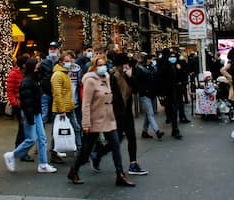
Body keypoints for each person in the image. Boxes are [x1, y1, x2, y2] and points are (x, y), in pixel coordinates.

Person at [67, 56, 135, 187]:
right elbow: (86, 104)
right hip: (95, 120)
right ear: (94, 66)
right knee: (86, 151)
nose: (103, 67)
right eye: (99, 64)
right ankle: (74, 169)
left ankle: (120, 174)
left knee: (115, 145)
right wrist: (86, 123)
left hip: (109, 118)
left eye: (104, 64)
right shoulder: (90, 81)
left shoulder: (107, 78)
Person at [93, 53, 148, 175]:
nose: (127, 66)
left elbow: (138, 90)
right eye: (125, 64)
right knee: (116, 140)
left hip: (127, 112)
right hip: (115, 114)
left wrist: (131, 76)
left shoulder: (127, 76)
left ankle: (133, 163)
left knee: (131, 137)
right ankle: (98, 154)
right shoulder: (111, 77)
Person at [3, 58, 57, 174]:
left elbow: (43, 75)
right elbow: (27, 102)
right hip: (30, 113)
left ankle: (43, 164)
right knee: (31, 139)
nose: (39, 68)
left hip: (35, 112)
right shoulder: (27, 82)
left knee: (42, 138)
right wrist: (29, 117)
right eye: (37, 66)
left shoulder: (32, 79)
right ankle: (12, 155)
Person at [134, 53, 163, 139]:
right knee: (150, 113)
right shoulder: (140, 69)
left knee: (148, 113)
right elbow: (137, 82)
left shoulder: (153, 68)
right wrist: (142, 90)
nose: (152, 61)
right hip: (145, 94)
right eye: (151, 59)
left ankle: (144, 131)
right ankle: (157, 131)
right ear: (147, 59)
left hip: (152, 93)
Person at [6, 54, 30, 152]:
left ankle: (19, 149)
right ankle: (20, 149)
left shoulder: (28, 74)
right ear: (24, 65)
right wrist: (15, 103)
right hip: (19, 104)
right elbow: (10, 90)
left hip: (27, 103)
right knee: (23, 127)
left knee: (24, 127)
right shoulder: (14, 74)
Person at [157, 49, 183, 139]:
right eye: (170, 56)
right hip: (169, 91)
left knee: (172, 109)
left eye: (173, 56)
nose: (172, 58)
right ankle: (175, 129)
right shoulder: (166, 66)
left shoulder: (173, 65)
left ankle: (174, 128)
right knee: (173, 109)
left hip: (172, 91)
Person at [38, 42, 61, 124]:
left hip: (57, 93)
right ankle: (41, 135)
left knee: (56, 116)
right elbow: (39, 76)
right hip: (46, 92)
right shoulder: (44, 63)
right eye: (51, 49)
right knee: (44, 115)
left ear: (58, 50)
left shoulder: (61, 62)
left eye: (54, 49)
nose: (52, 51)